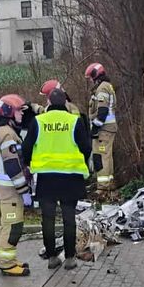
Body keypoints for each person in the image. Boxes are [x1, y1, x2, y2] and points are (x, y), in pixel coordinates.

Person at [24, 87, 90, 270]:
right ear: (65, 102)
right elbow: (86, 147)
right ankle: (70, 258)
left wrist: (30, 164)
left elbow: (27, 147)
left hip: (46, 177)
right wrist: (81, 161)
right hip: (70, 176)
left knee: (48, 218)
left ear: (49, 103)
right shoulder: (74, 121)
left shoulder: (39, 121)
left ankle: (52, 257)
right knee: (69, 217)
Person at [0, 95, 34, 277]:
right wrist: (24, 190)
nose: (21, 114)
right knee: (13, 226)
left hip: (6, 189)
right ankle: (7, 264)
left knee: (6, 225)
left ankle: (6, 259)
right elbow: (12, 165)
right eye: (18, 110)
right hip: (10, 189)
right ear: (9, 112)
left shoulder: (2, 131)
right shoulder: (7, 134)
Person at [86, 62, 118, 199]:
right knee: (107, 156)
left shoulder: (102, 89)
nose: (91, 81)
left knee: (101, 156)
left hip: (103, 130)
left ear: (95, 75)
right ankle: (109, 185)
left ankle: (102, 189)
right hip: (108, 129)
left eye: (90, 78)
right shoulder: (106, 87)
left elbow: (102, 111)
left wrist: (95, 128)